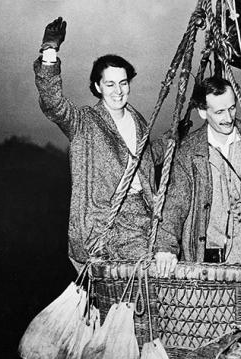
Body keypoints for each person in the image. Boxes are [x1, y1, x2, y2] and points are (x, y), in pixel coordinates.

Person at [34, 18, 166, 270]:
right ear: (97, 87)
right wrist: (50, 50)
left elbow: (149, 154)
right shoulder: (84, 122)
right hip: (106, 229)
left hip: (146, 218)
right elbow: (53, 102)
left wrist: (177, 134)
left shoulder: (138, 122)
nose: (118, 91)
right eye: (110, 84)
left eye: (124, 83)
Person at [155, 77, 241, 271]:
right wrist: (165, 247)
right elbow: (175, 204)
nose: (228, 118)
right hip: (210, 260)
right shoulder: (188, 152)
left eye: (231, 108)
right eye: (219, 112)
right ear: (202, 112)